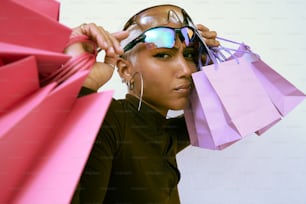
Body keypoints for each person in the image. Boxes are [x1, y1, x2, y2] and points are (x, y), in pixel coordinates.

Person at [67, 4, 220, 204]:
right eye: (163, 55)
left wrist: (211, 63)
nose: (186, 70)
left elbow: (231, 114)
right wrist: (82, 86)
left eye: (189, 55)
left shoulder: (165, 132)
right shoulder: (110, 120)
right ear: (125, 70)